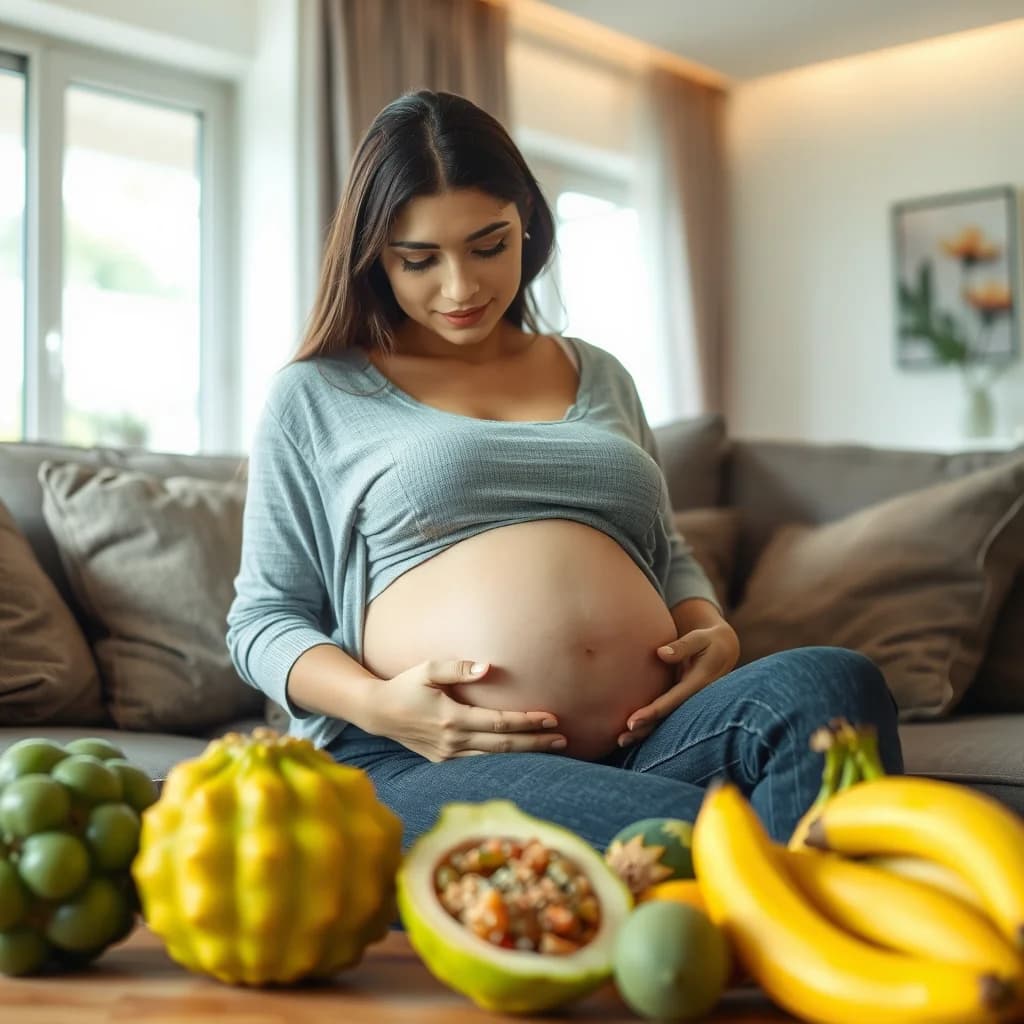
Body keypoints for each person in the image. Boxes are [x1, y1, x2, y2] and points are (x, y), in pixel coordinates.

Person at [226, 89, 902, 851]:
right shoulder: (319, 392)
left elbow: (666, 552)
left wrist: (710, 628)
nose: (461, 287)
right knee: (703, 848)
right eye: (419, 259)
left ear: (528, 224)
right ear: (375, 255)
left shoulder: (600, 373)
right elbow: (264, 619)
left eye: (489, 245)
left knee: (831, 684)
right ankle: (811, 925)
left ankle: (808, 932)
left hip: (652, 740)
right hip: (425, 759)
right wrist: (382, 705)